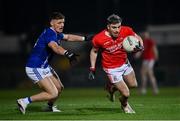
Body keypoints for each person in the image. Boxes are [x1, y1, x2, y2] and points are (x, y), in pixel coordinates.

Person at [17, 12, 89, 114]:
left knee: (59, 88)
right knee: (53, 93)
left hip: (44, 66)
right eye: (59, 23)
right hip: (35, 67)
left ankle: (49, 107)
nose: (62, 25)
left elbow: (68, 37)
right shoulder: (50, 34)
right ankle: (24, 101)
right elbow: (55, 47)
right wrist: (67, 53)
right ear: (51, 23)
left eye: (63, 23)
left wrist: (85, 38)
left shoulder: (56, 34)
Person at [88, 14, 144, 113]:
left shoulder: (126, 30)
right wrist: (92, 68)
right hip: (111, 69)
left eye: (119, 27)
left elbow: (137, 37)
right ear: (108, 27)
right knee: (126, 94)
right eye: (114, 27)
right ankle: (124, 105)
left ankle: (111, 88)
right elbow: (94, 51)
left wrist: (141, 46)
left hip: (124, 63)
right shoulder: (99, 38)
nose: (117, 30)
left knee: (133, 85)